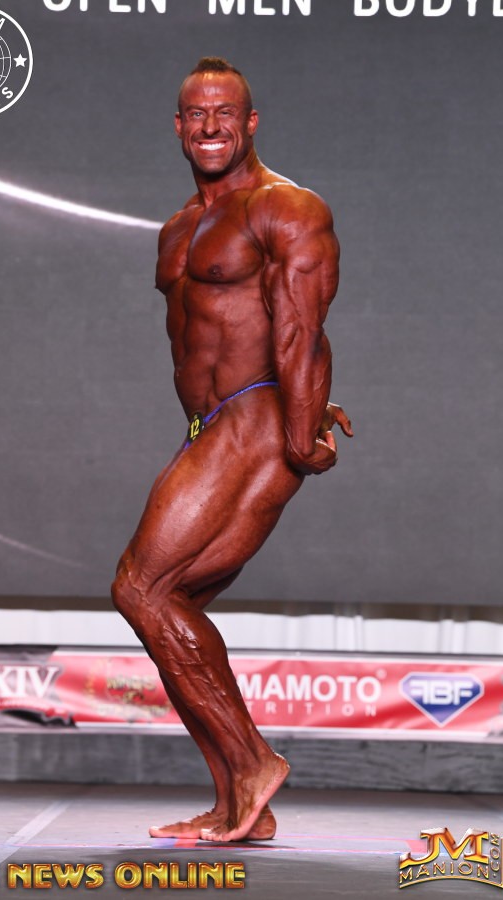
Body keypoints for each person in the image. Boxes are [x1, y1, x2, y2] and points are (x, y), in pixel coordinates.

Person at [111, 57, 353, 843]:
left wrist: (301, 430)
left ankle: (253, 763)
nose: (210, 125)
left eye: (225, 112)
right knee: (168, 610)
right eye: (196, 113)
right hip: (210, 426)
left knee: (141, 589)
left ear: (250, 123)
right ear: (179, 127)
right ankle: (237, 802)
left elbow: (300, 328)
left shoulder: (285, 207)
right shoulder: (179, 226)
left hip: (255, 418)